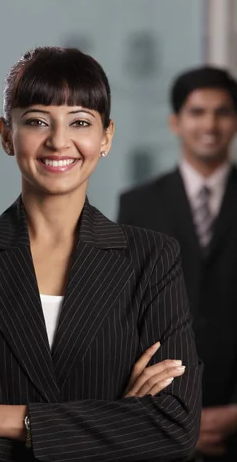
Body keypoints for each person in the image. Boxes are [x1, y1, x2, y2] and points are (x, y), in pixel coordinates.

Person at [0, 47, 201, 462]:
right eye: (37, 121)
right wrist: (117, 422)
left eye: (80, 122)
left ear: (106, 137)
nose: (59, 141)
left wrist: (0, 418)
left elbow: (175, 428)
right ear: (7, 135)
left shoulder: (151, 258)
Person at [118, 67, 237, 461]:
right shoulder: (137, 205)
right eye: (197, 112)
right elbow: (127, 314)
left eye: (222, 112)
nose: (210, 124)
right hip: (161, 417)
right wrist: (174, 411)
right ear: (175, 122)